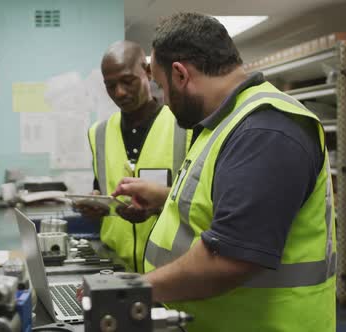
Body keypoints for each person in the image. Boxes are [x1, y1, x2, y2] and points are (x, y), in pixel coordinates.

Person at [112, 13, 336, 332]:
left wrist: (132, 291)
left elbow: (230, 259)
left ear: (180, 75)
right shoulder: (222, 121)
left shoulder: (265, 130)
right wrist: (164, 198)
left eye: (160, 88)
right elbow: (228, 204)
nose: (164, 101)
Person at [79, 40, 188, 273]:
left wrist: (157, 205)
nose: (119, 92)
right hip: (115, 268)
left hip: (172, 268)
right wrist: (96, 204)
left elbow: (199, 200)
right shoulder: (98, 133)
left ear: (148, 73)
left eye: (128, 81)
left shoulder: (184, 126)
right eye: (110, 85)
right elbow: (102, 188)